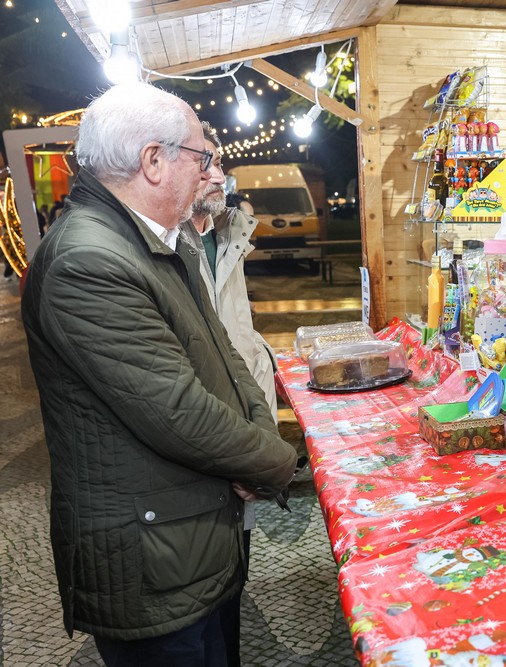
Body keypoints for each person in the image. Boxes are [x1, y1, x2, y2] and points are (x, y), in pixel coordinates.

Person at [20, 82, 297, 667]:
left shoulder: (155, 242)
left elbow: (226, 353)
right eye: (200, 157)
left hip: (188, 535)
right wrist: (275, 463)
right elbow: (177, 410)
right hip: (151, 557)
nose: (209, 174)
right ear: (153, 160)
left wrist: (259, 432)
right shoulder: (88, 259)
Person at [179, 124, 277, 666]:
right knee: (203, 600)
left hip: (243, 431)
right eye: (206, 163)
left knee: (235, 576)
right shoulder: (166, 245)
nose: (219, 175)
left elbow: (240, 338)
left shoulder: (229, 233)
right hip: (203, 447)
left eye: (220, 163)